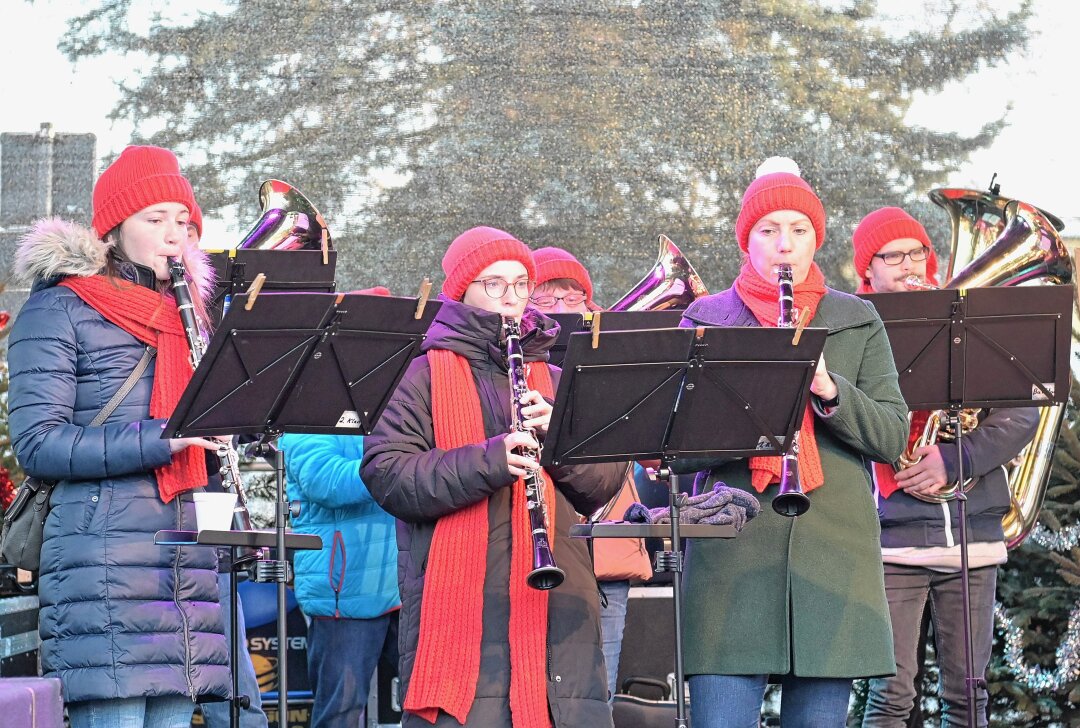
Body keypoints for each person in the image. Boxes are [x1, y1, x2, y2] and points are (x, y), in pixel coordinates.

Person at [672, 160, 909, 728]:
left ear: (815, 238)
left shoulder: (856, 318)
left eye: (798, 230)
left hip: (832, 561)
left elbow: (891, 434)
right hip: (732, 554)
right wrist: (754, 398)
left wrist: (828, 389)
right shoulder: (706, 317)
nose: (784, 245)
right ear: (747, 240)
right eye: (768, 231)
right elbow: (672, 450)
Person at [360, 226, 625, 727]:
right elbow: (387, 473)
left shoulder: (557, 375)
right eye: (494, 285)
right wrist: (490, 461)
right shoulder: (418, 375)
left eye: (521, 284)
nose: (512, 300)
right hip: (464, 617)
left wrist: (559, 441)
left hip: (556, 606)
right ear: (462, 293)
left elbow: (604, 482)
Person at [8, 145, 230, 727]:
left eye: (183, 222)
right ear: (112, 230)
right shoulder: (59, 309)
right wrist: (164, 439)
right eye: (154, 221)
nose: (173, 236)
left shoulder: (194, 319)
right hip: (100, 565)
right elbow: (38, 443)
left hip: (185, 563)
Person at [853, 207, 1039, 727]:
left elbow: (1021, 409)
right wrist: (897, 454)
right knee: (889, 698)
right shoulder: (853, 329)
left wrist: (952, 458)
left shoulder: (969, 324)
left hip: (970, 533)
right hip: (892, 537)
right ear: (868, 270)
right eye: (893, 256)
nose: (909, 264)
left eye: (917, 252)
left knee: (969, 697)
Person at [530, 246, 653, 702]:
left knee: (593, 695)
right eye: (545, 301)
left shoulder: (615, 355)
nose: (561, 312)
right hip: (539, 554)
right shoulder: (517, 362)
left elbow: (647, 454)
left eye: (571, 298)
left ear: (589, 304)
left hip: (606, 556)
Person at [186, 202, 269, 728]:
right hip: (156, 516)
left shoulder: (210, 315)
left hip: (210, 508)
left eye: (187, 228)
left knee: (236, 699)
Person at [279, 366, 400, 728]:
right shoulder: (307, 405)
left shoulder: (396, 396)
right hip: (344, 592)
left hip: (406, 582)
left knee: (428, 708)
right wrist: (400, 470)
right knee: (340, 714)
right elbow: (324, 481)